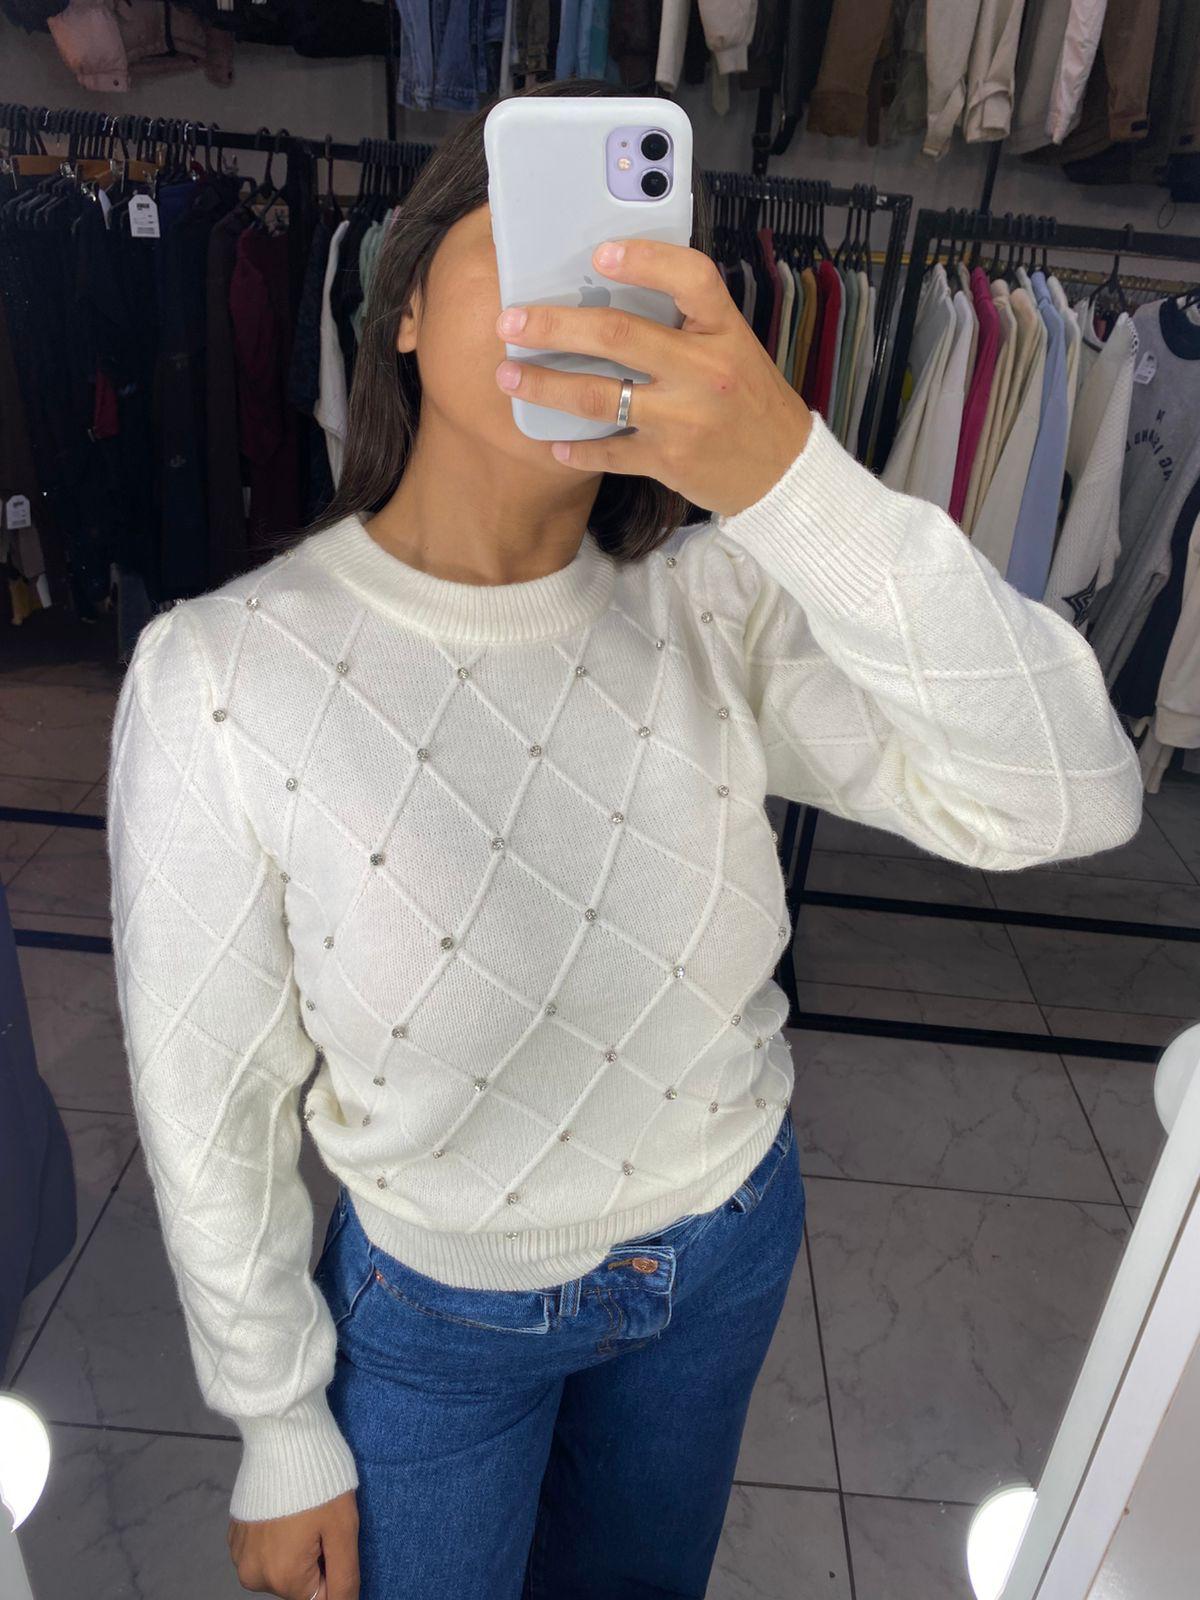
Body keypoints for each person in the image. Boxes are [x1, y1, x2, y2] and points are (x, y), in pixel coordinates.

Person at [106, 78, 1143, 1600]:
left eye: (627, 260)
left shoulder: (719, 606)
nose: (578, 291)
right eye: (526, 233)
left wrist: (793, 482)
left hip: (724, 1256)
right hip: (441, 1320)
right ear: (404, 305)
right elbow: (210, 1102)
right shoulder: (222, 673)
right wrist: (276, 1424)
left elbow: (1071, 794)